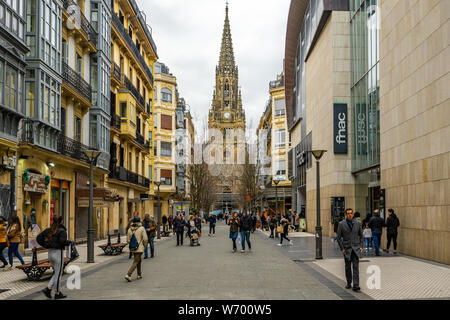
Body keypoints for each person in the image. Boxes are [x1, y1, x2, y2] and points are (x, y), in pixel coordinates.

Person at [40, 216, 71, 299]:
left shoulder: (49, 230)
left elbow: (38, 238)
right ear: (61, 221)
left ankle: (50, 289)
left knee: (57, 272)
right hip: (58, 253)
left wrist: (46, 245)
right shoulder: (62, 231)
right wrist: (69, 242)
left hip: (50, 253)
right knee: (58, 273)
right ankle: (56, 292)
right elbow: (62, 241)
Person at [336, 209, 364, 292]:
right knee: (348, 267)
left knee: (356, 267)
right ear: (345, 215)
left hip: (356, 249)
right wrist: (342, 249)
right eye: (348, 214)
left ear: (353, 214)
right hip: (347, 249)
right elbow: (338, 238)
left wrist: (361, 246)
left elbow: (361, 236)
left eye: (351, 213)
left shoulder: (358, 223)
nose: (349, 215)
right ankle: (349, 282)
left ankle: (356, 285)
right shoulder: (341, 224)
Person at [125, 216, 148, 282]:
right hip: (139, 247)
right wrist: (144, 245)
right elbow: (145, 239)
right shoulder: (142, 228)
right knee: (136, 261)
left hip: (132, 247)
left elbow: (127, 240)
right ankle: (128, 274)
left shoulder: (130, 229)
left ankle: (139, 274)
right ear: (139, 222)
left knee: (138, 260)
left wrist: (132, 243)